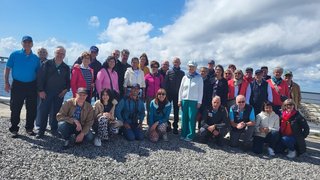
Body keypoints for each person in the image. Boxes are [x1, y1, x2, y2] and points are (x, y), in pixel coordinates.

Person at [4, 36, 40, 137]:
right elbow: (7, 69)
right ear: (22, 43)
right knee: (15, 107)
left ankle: (29, 128)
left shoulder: (36, 58)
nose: (27, 44)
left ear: (32, 44)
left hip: (31, 85)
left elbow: (38, 74)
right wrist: (6, 82)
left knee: (32, 108)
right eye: (25, 42)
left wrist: (39, 88)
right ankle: (14, 128)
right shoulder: (14, 54)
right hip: (17, 84)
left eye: (29, 42)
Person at [36, 46, 70, 138]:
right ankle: (41, 131)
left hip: (59, 94)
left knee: (56, 112)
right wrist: (41, 90)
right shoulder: (46, 63)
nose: (60, 55)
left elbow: (68, 82)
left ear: (64, 55)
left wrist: (65, 90)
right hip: (46, 93)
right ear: (54, 53)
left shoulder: (66, 67)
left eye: (62, 53)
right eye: (58, 53)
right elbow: (40, 78)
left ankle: (54, 129)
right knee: (44, 112)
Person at [178, 61, 203, 141]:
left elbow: (200, 91)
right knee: (184, 117)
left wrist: (199, 102)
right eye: (189, 66)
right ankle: (183, 133)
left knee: (191, 118)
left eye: (192, 66)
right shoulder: (185, 77)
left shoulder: (199, 78)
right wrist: (179, 100)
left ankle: (190, 135)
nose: (190, 68)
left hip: (194, 101)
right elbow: (181, 90)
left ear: (195, 68)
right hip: (184, 100)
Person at [164, 57, 185, 134]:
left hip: (177, 95)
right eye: (174, 62)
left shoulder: (182, 73)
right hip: (169, 94)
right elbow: (165, 83)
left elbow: (183, 86)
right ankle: (167, 125)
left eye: (177, 62)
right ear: (173, 63)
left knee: (176, 111)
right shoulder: (169, 72)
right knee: (167, 109)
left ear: (180, 63)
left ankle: (175, 126)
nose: (176, 63)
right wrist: (165, 94)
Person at [35, 47, 49, 129]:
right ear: (38, 53)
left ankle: (39, 123)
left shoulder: (49, 63)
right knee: (35, 105)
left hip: (44, 87)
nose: (42, 53)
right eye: (40, 52)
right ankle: (35, 122)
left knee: (42, 106)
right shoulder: (35, 61)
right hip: (33, 85)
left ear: (46, 54)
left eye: (44, 52)